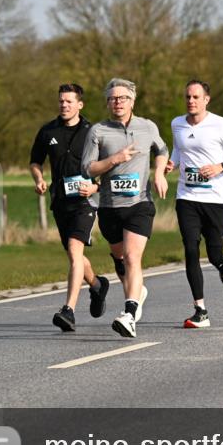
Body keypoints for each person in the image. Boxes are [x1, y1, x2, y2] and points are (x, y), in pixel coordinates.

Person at [82, 78, 169, 338]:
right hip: (109, 207)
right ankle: (136, 292)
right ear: (107, 102)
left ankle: (129, 313)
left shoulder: (148, 126)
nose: (117, 102)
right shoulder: (98, 131)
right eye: (112, 98)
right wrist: (114, 159)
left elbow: (162, 150)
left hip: (139, 204)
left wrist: (159, 173)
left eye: (122, 98)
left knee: (133, 257)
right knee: (120, 259)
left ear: (132, 100)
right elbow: (87, 168)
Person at [167, 80, 223, 329]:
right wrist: (171, 164)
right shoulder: (177, 123)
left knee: (214, 254)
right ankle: (200, 310)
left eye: (195, 97)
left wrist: (220, 167)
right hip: (187, 197)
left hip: (214, 199)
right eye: (187, 97)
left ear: (206, 99)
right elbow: (179, 150)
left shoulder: (221, 124)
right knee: (191, 250)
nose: (190, 101)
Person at [29, 83, 109, 332]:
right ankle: (97, 286)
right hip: (61, 201)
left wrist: (96, 188)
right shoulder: (47, 131)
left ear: (79, 105)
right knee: (75, 256)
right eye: (61, 101)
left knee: (75, 252)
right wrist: (39, 179)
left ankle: (69, 310)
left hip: (86, 201)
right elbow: (35, 161)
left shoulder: (93, 132)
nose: (64, 105)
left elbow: (110, 165)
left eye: (69, 101)